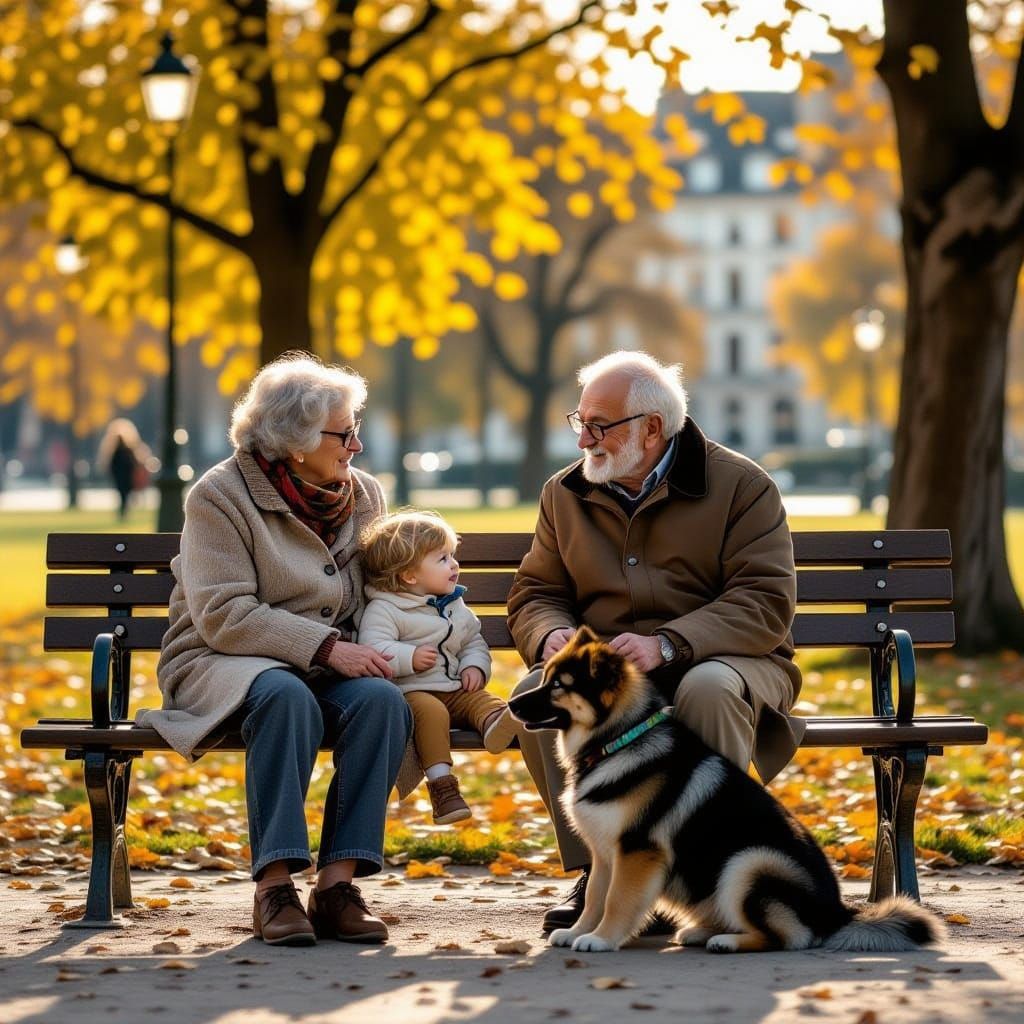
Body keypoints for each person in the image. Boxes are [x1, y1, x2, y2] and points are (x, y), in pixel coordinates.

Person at [507, 350, 802, 933]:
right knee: (533, 692)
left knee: (707, 687)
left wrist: (669, 643)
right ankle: (602, 874)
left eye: (600, 424)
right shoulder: (564, 494)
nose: (584, 438)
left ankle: (699, 867)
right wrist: (549, 634)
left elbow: (764, 601)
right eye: (580, 421)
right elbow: (535, 592)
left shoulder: (741, 485)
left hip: (731, 662)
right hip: (613, 679)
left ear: (651, 428)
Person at [137, 353, 412, 948]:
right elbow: (223, 614)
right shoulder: (219, 495)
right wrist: (326, 646)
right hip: (221, 660)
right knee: (284, 695)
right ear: (295, 440)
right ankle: (275, 887)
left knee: (382, 703)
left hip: (323, 662)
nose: (357, 446)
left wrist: (398, 646)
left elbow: (372, 594)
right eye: (345, 433)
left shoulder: (362, 494)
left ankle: (338, 887)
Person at [358, 510, 518, 824]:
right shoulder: (385, 608)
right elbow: (374, 647)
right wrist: (409, 656)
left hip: (454, 688)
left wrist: (475, 667)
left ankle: (497, 724)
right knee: (433, 713)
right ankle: (443, 788)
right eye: (442, 559)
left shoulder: (453, 603)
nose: (454, 565)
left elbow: (473, 641)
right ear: (409, 576)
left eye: (452, 556)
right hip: (411, 694)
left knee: (481, 701)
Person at [97, 418, 149, 519]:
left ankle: (123, 512)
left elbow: (111, 465)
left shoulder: (114, 451)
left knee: (122, 495)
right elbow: (134, 463)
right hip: (126, 477)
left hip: (121, 477)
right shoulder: (128, 450)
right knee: (124, 495)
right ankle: (124, 512)